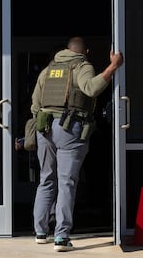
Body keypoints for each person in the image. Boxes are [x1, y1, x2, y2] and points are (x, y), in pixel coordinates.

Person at [30, 36, 123, 252]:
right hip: (68, 129)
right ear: (85, 51)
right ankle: (61, 237)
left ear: (65, 51)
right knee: (66, 182)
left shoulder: (48, 69)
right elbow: (91, 88)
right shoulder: (82, 66)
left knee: (45, 179)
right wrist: (113, 66)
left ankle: (41, 232)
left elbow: (35, 104)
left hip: (44, 128)